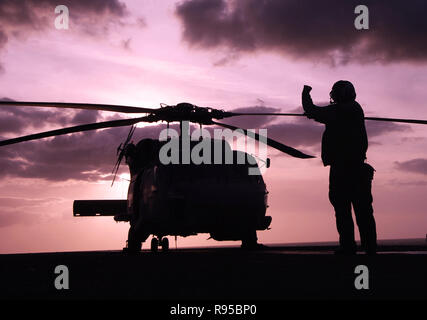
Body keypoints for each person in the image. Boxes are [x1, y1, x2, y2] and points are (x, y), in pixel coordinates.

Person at [302, 81, 377, 255]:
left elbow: (312, 110)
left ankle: (348, 246)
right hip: (358, 168)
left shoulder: (338, 111)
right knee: (363, 210)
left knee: (343, 210)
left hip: (342, 170)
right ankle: (370, 247)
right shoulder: (356, 109)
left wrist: (306, 92)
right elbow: (318, 113)